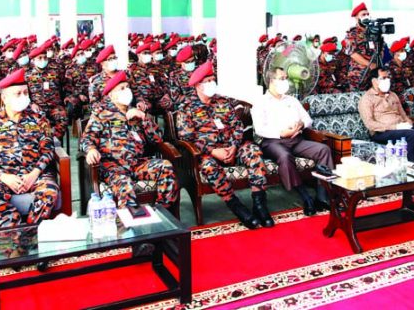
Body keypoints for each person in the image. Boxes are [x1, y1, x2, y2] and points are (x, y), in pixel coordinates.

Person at [177, 61, 271, 229]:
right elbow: (187, 137)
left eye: (213, 79)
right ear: (198, 85)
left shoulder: (223, 101)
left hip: (232, 147)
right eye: (208, 81)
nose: (212, 83)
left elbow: (237, 126)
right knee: (208, 167)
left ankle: (259, 203)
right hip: (208, 153)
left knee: (254, 151)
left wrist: (234, 146)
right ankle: (235, 205)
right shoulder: (186, 107)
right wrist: (213, 151)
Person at [251, 45, 332, 216]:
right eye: (282, 78)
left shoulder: (292, 100)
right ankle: (305, 197)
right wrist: (282, 133)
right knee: (285, 157)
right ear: (271, 81)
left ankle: (322, 196)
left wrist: (300, 126)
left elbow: (308, 119)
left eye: (286, 78)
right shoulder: (261, 103)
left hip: (296, 140)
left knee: (323, 150)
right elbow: (260, 129)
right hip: (273, 142)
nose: (285, 81)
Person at [80, 71, 178, 210]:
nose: (126, 91)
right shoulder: (101, 114)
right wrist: (91, 150)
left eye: (127, 87)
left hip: (136, 164)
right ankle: (129, 225)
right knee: (125, 185)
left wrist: (144, 119)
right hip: (113, 167)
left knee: (166, 167)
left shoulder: (136, 112)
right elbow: (87, 138)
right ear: (111, 95)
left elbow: (157, 139)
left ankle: (163, 213)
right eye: (121, 88)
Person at [0, 69, 59, 227]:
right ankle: (18, 236)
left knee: (49, 192)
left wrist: (34, 174)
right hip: (2, 176)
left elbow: (48, 150)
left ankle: (33, 232)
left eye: (25, 92)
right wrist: (3, 176)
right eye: (18, 94)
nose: (23, 97)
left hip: (34, 174)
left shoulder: (39, 118)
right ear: (4, 98)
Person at [360, 68, 414, 166]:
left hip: (402, 128)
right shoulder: (367, 98)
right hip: (382, 132)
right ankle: (412, 169)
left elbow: (403, 114)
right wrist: (395, 127)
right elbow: (370, 124)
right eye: (383, 78)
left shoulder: (393, 95)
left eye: (388, 77)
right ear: (374, 81)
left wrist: (408, 123)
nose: (387, 80)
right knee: (411, 135)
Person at [23, 41, 69, 140]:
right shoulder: (27, 75)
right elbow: (24, 94)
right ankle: (43, 140)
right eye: (39, 58)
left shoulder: (55, 71)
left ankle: (54, 140)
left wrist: (67, 97)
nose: (43, 60)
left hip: (55, 106)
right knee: (37, 123)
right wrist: (31, 104)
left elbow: (65, 84)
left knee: (63, 118)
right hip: (37, 107)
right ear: (33, 60)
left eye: (44, 58)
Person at [343, 2, 377, 92]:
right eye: (363, 14)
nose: (366, 16)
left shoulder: (372, 32)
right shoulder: (352, 33)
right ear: (357, 17)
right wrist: (369, 65)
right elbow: (352, 53)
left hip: (373, 71)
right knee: (359, 98)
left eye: (367, 14)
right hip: (359, 73)